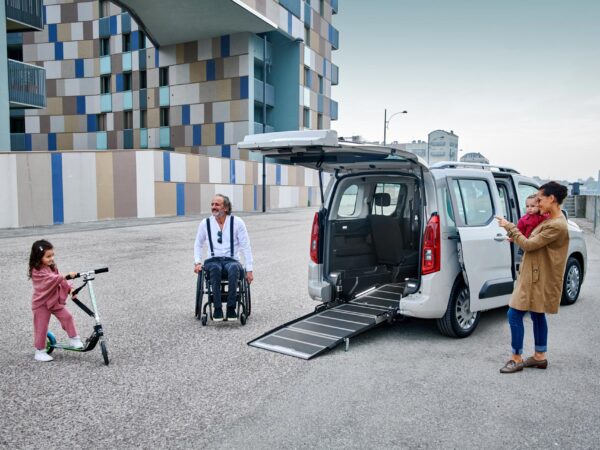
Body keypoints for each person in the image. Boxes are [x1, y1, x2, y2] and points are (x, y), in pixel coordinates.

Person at [495, 181, 569, 374]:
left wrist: (509, 226)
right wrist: (517, 235)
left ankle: (516, 358)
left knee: (514, 313)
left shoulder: (556, 225)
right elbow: (530, 239)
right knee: (537, 313)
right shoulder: (547, 219)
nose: (537, 202)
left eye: (540, 199)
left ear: (551, 199)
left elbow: (528, 245)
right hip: (536, 274)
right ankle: (539, 357)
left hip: (538, 277)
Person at [194, 194, 254, 321]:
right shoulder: (205, 223)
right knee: (214, 268)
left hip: (232, 260)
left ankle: (231, 308)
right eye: (212, 204)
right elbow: (198, 244)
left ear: (225, 208)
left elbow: (245, 246)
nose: (213, 207)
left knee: (234, 268)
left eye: (217, 204)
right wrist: (197, 262)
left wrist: (249, 269)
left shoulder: (237, 222)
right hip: (212, 260)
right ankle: (217, 309)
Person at [29, 240, 83, 362]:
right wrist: (65, 275)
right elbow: (50, 280)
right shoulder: (36, 271)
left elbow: (60, 280)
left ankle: (74, 338)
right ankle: (40, 351)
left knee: (67, 317)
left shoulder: (52, 267)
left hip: (54, 301)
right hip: (41, 304)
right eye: (48, 256)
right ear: (38, 257)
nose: (51, 258)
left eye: (52, 255)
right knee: (41, 327)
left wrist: (70, 289)